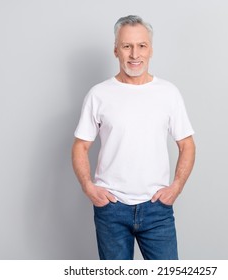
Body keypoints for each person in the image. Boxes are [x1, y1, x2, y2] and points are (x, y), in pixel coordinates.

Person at [72, 15, 195, 260]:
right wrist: (88, 187)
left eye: (141, 46)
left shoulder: (168, 93)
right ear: (116, 50)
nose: (134, 54)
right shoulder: (99, 94)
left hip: (156, 209)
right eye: (127, 46)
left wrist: (176, 187)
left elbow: (187, 145)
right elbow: (80, 146)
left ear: (150, 50)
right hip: (111, 209)